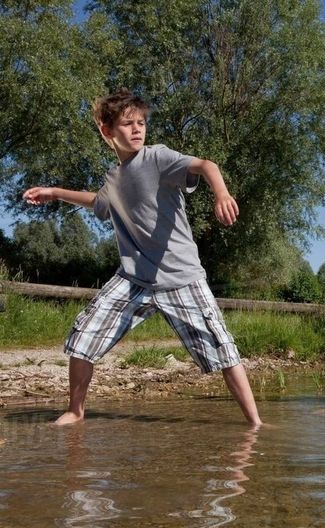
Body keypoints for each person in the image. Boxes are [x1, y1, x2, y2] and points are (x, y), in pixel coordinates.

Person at [23, 89, 262, 426]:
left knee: (223, 351)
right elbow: (99, 202)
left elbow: (206, 165)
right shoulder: (114, 177)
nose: (137, 130)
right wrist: (55, 193)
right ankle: (75, 411)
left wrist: (221, 192)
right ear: (107, 131)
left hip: (181, 278)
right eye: (127, 124)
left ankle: (254, 424)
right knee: (83, 336)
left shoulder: (158, 158)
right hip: (134, 279)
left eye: (141, 123)